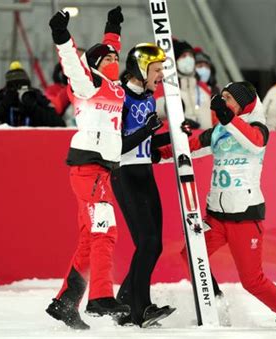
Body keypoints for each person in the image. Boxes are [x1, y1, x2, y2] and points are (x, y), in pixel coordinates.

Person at [156, 81, 276, 327]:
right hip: (216, 217)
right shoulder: (220, 130)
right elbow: (188, 150)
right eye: (222, 98)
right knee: (191, 255)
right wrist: (157, 154)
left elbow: (253, 141)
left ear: (243, 104)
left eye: (229, 98)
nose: (224, 101)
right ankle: (214, 301)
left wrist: (226, 117)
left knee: (252, 280)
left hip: (245, 215)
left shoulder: (258, 128)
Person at [45, 7, 130, 330]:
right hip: (89, 169)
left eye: (115, 60)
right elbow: (73, 64)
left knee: (88, 240)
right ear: (95, 66)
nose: (115, 63)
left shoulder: (113, 85)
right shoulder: (88, 84)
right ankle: (100, 297)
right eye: (108, 61)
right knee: (105, 232)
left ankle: (66, 302)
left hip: (100, 171)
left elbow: (110, 49)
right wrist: (61, 36)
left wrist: (113, 28)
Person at [111, 43, 176, 327]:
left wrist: (174, 135)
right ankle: (141, 310)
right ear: (140, 69)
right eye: (157, 69)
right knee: (147, 242)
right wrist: (147, 131)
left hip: (145, 173)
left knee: (153, 245)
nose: (161, 75)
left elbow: (147, 143)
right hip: (124, 174)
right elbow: (115, 147)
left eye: (162, 69)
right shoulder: (120, 97)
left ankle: (126, 301)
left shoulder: (149, 98)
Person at [0, 62, 65, 127]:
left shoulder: (36, 97)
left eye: (23, 87)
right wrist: (3, 107)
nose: (19, 91)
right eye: (14, 87)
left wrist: (33, 108)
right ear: (7, 88)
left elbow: (59, 124)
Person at [155, 38, 213, 130]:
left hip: (207, 141)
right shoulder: (162, 87)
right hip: (181, 141)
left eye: (191, 55)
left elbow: (215, 117)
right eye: (184, 56)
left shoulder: (203, 87)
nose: (188, 59)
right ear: (175, 61)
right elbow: (157, 118)